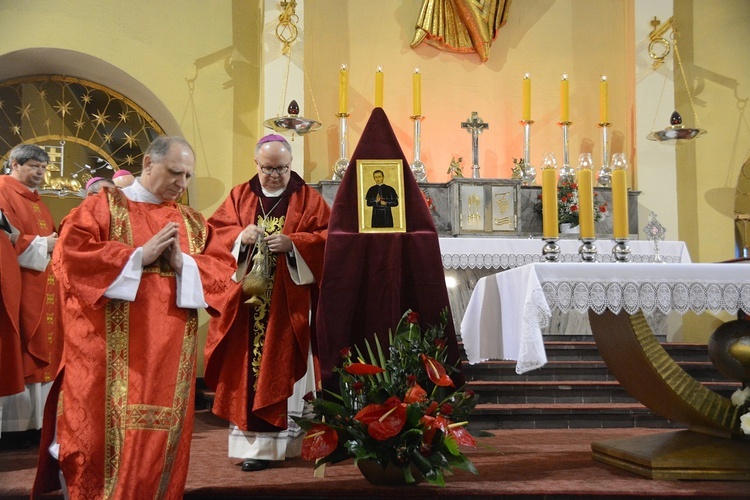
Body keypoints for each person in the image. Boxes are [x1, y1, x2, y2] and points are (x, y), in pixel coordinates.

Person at [32, 136, 236, 499]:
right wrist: (136, 257)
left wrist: (182, 263)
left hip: (169, 364)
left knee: (158, 449)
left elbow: (223, 274)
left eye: (188, 176)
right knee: (94, 442)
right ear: (148, 163)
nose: (182, 184)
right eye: (175, 172)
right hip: (106, 360)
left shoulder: (192, 222)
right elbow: (69, 256)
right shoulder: (104, 206)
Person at [204, 134, 330, 472]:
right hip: (249, 306)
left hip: (288, 304)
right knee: (250, 370)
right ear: (256, 164)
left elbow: (327, 240)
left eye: (282, 168)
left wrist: (294, 244)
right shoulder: (239, 196)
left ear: (291, 165)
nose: (275, 175)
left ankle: (291, 444)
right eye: (268, 168)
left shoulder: (308, 199)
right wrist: (239, 238)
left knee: (282, 365)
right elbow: (214, 234)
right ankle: (258, 448)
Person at [0, 144, 62, 449]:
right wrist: (45, 245)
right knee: (21, 344)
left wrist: (51, 244)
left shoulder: (37, 201)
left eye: (43, 167)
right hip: (19, 285)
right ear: (14, 163)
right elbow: (5, 238)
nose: (39, 172)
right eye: (34, 166)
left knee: (44, 348)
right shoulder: (3, 192)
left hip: (43, 285)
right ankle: (15, 427)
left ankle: (37, 423)